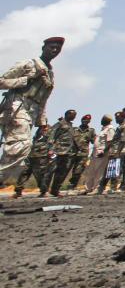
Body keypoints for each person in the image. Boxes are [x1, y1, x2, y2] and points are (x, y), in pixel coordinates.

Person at [0, 37, 62, 188]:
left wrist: (42, 122)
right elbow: (2, 81)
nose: (54, 51)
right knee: (21, 146)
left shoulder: (50, 73)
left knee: (18, 150)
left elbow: (43, 100)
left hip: (31, 114)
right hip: (17, 109)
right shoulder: (29, 64)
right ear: (44, 47)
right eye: (52, 47)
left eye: (57, 49)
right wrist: (27, 79)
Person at [44, 109, 79, 197]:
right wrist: (50, 149)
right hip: (56, 150)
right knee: (50, 171)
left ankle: (55, 190)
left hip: (66, 152)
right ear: (67, 114)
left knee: (61, 172)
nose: (74, 117)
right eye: (73, 115)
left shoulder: (70, 125)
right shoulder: (60, 124)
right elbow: (52, 136)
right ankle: (44, 191)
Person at [13, 125, 51, 197]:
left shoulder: (49, 131)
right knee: (25, 172)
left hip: (41, 156)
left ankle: (43, 191)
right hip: (31, 156)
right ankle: (18, 190)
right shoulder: (38, 132)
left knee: (40, 174)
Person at [98, 111, 125, 194]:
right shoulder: (119, 127)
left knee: (115, 170)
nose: (116, 119)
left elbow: (123, 141)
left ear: (123, 118)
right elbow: (113, 141)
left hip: (118, 151)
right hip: (113, 151)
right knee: (109, 170)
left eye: (118, 118)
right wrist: (104, 151)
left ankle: (113, 188)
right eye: (116, 118)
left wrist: (118, 152)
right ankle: (101, 188)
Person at [81, 115, 114, 195]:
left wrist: (104, 151)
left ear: (107, 120)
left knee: (99, 172)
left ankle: (96, 188)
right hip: (95, 154)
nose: (101, 121)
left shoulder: (110, 129)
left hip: (102, 154)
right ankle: (88, 189)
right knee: (91, 171)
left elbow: (110, 142)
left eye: (103, 119)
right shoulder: (103, 129)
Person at [67, 114, 95, 191]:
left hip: (83, 155)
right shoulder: (74, 129)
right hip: (72, 153)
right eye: (84, 120)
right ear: (81, 120)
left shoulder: (91, 131)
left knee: (77, 172)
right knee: (65, 170)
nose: (85, 121)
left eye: (87, 120)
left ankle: (71, 187)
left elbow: (94, 142)